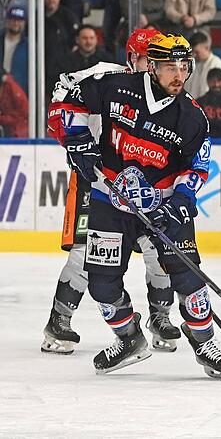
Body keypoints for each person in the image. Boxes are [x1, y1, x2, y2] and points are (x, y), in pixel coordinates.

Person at [47, 33, 221, 379]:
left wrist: (179, 202)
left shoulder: (192, 116)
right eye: (170, 67)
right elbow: (65, 101)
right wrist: (76, 140)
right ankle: (129, 338)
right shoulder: (115, 86)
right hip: (109, 199)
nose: (178, 75)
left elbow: (197, 167)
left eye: (184, 66)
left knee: (187, 277)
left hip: (161, 206)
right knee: (102, 284)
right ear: (152, 66)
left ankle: (205, 342)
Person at [41, 28, 186, 358]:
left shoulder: (167, 94)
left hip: (142, 187)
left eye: (158, 60)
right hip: (97, 183)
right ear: (131, 58)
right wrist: (76, 141)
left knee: (157, 250)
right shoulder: (106, 78)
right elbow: (61, 92)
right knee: (85, 253)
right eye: (147, 59)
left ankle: (160, 317)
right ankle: (58, 321)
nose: (154, 66)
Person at [44, 0, 79, 98]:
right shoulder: (37, 16)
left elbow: (76, 43)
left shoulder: (68, 17)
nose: (51, 0)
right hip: (43, 67)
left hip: (63, 68)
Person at [185, 31, 221, 99]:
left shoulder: (219, 66)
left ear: (207, 48)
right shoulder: (194, 65)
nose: (194, 55)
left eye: (197, 52)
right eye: (192, 52)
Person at [197, 67, 221, 138]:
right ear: (207, 82)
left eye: (219, 81)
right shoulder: (199, 102)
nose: (216, 84)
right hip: (207, 141)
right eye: (213, 81)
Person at [0, 5, 27, 90]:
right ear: (7, 21)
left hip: (19, 91)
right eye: (13, 19)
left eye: (19, 20)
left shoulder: (29, 46)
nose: (16, 23)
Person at [0, 66, 26, 137]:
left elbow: (20, 116)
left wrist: (2, 119)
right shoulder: (7, 89)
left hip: (19, 134)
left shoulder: (12, 89)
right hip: (11, 131)